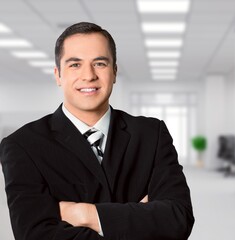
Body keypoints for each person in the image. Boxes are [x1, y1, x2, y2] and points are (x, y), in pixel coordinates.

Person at [0, 22, 194, 240]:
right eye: (75, 65)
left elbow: (178, 218)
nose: (88, 75)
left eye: (99, 63)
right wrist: (138, 220)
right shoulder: (22, 146)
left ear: (114, 72)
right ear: (58, 75)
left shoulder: (151, 134)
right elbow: (34, 234)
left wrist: (86, 214)